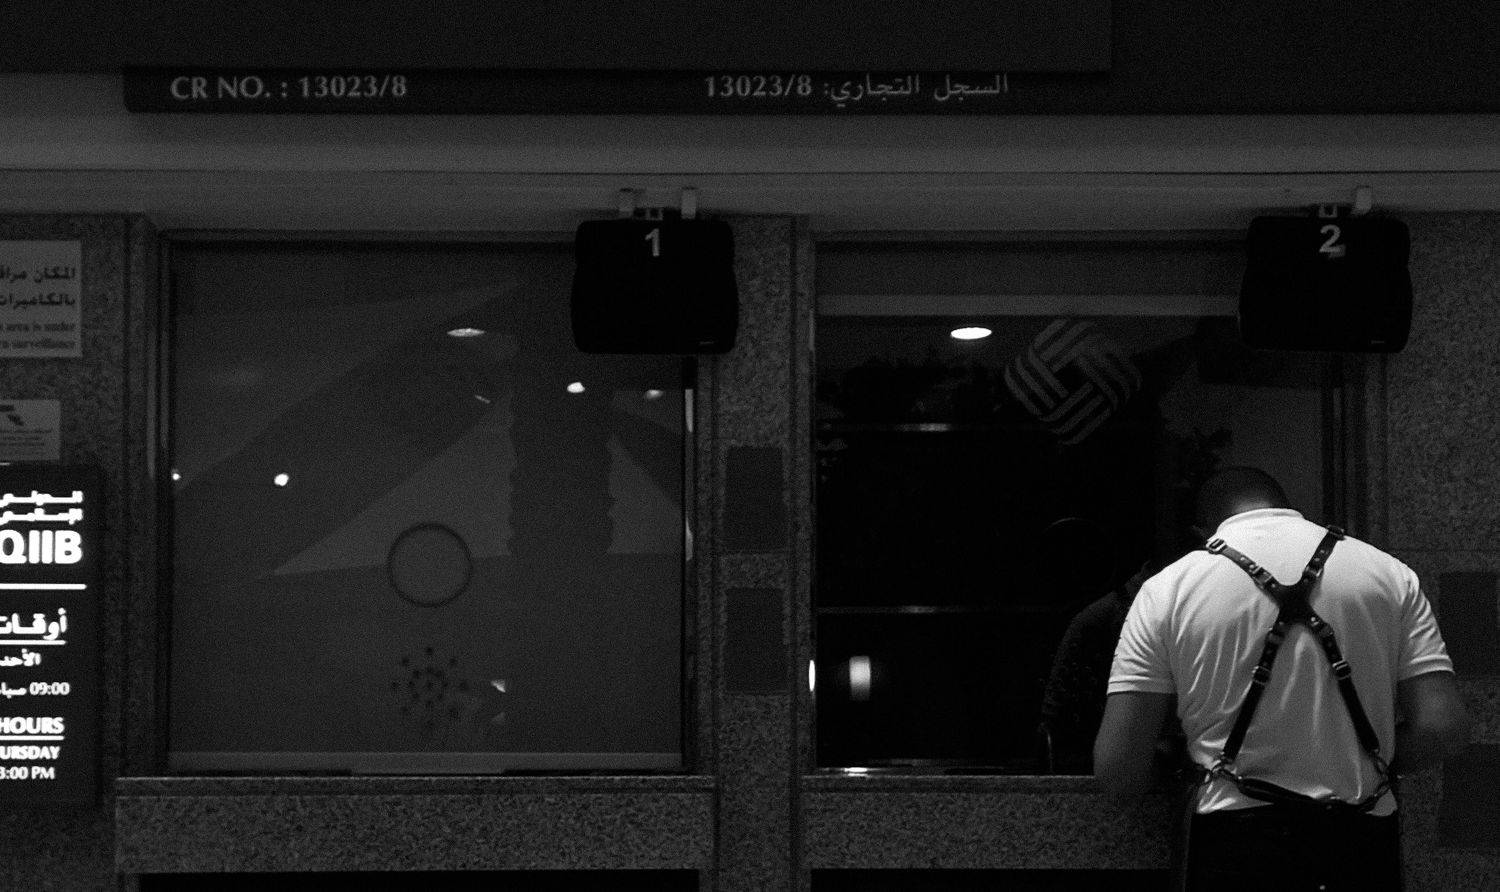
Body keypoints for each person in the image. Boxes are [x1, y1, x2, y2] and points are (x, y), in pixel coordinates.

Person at [1093, 466, 1470, 891]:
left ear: (1202, 531)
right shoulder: (1389, 574)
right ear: (1291, 510)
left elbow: (1119, 770)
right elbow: (1442, 728)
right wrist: (1362, 761)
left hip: (1232, 850)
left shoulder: (1167, 590)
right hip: (1360, 846)